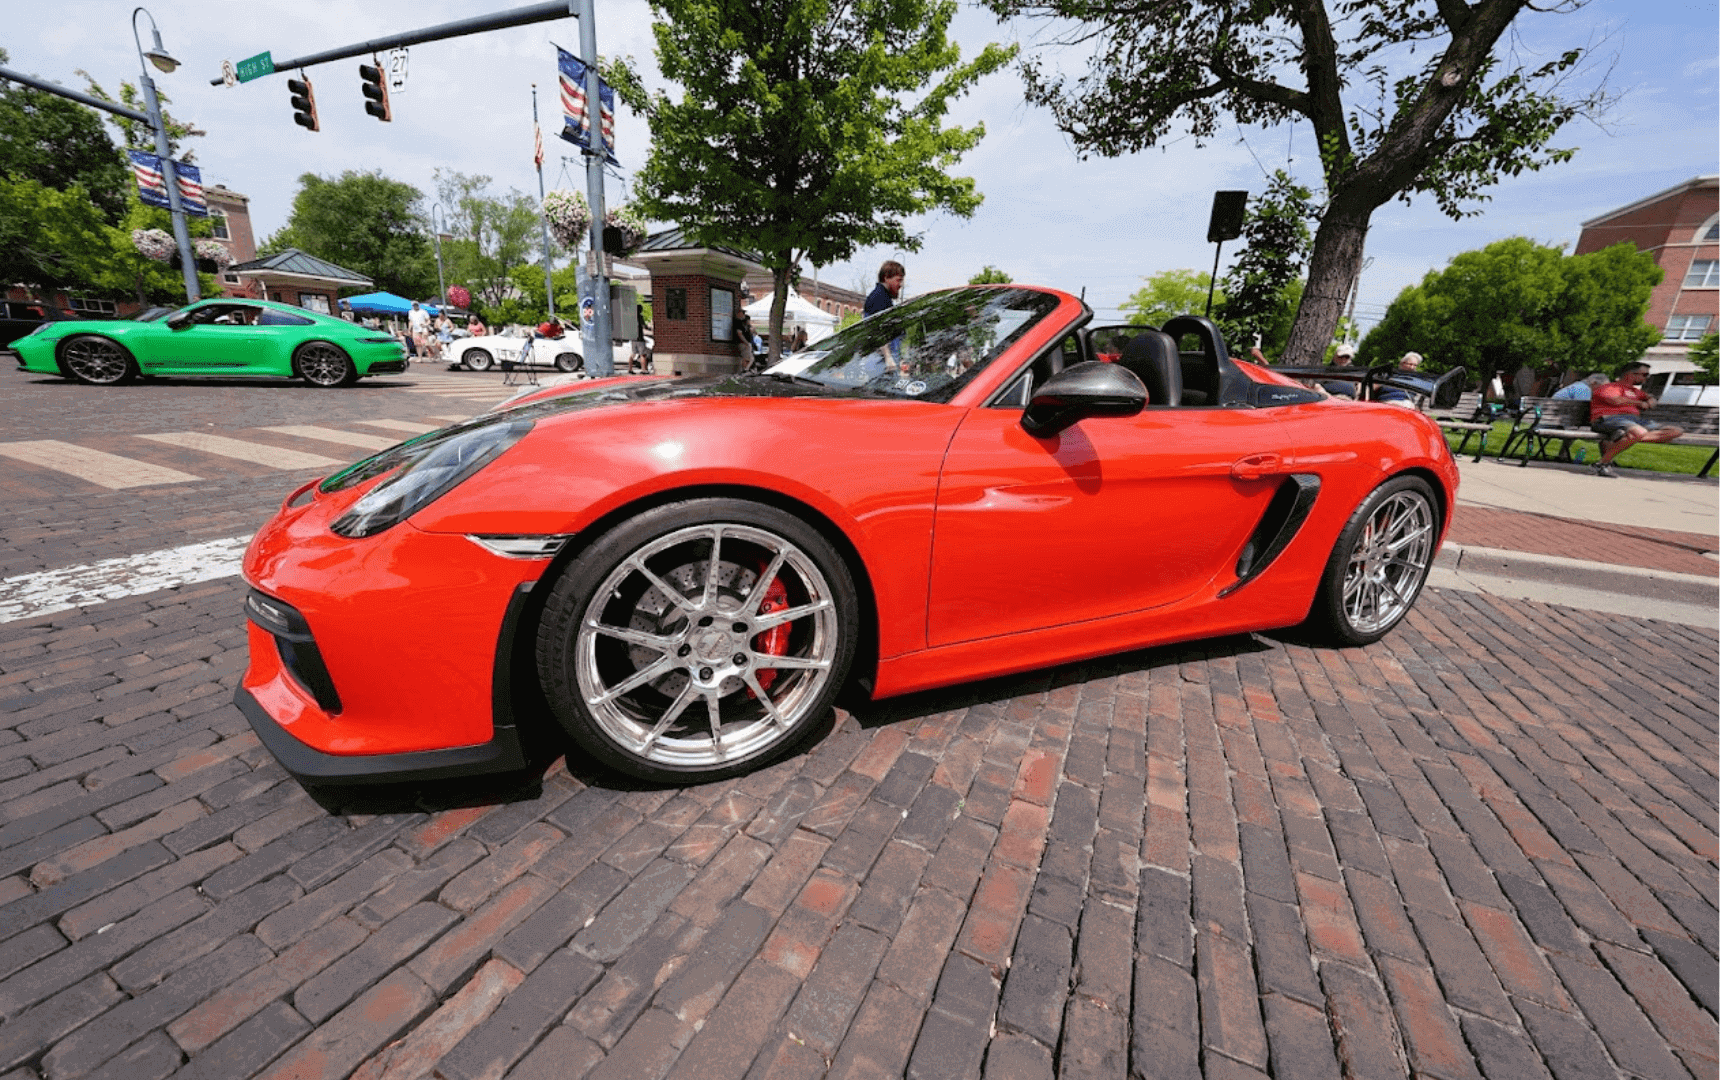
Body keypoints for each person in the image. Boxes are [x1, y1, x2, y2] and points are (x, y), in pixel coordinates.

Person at [1587, 362, 1684, 477]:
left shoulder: (1635, 391)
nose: (1647, 378)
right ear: (1630, 374)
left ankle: (1626, 438)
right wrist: (1640, 403)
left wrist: (1651, 399)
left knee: (1676, 431)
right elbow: (1615, 400)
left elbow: (1650, 398)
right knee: (1639, 432)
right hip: (1609, 419)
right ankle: (1602, 464)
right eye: (1644, 375)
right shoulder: (1610, 387)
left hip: (1634, 421)